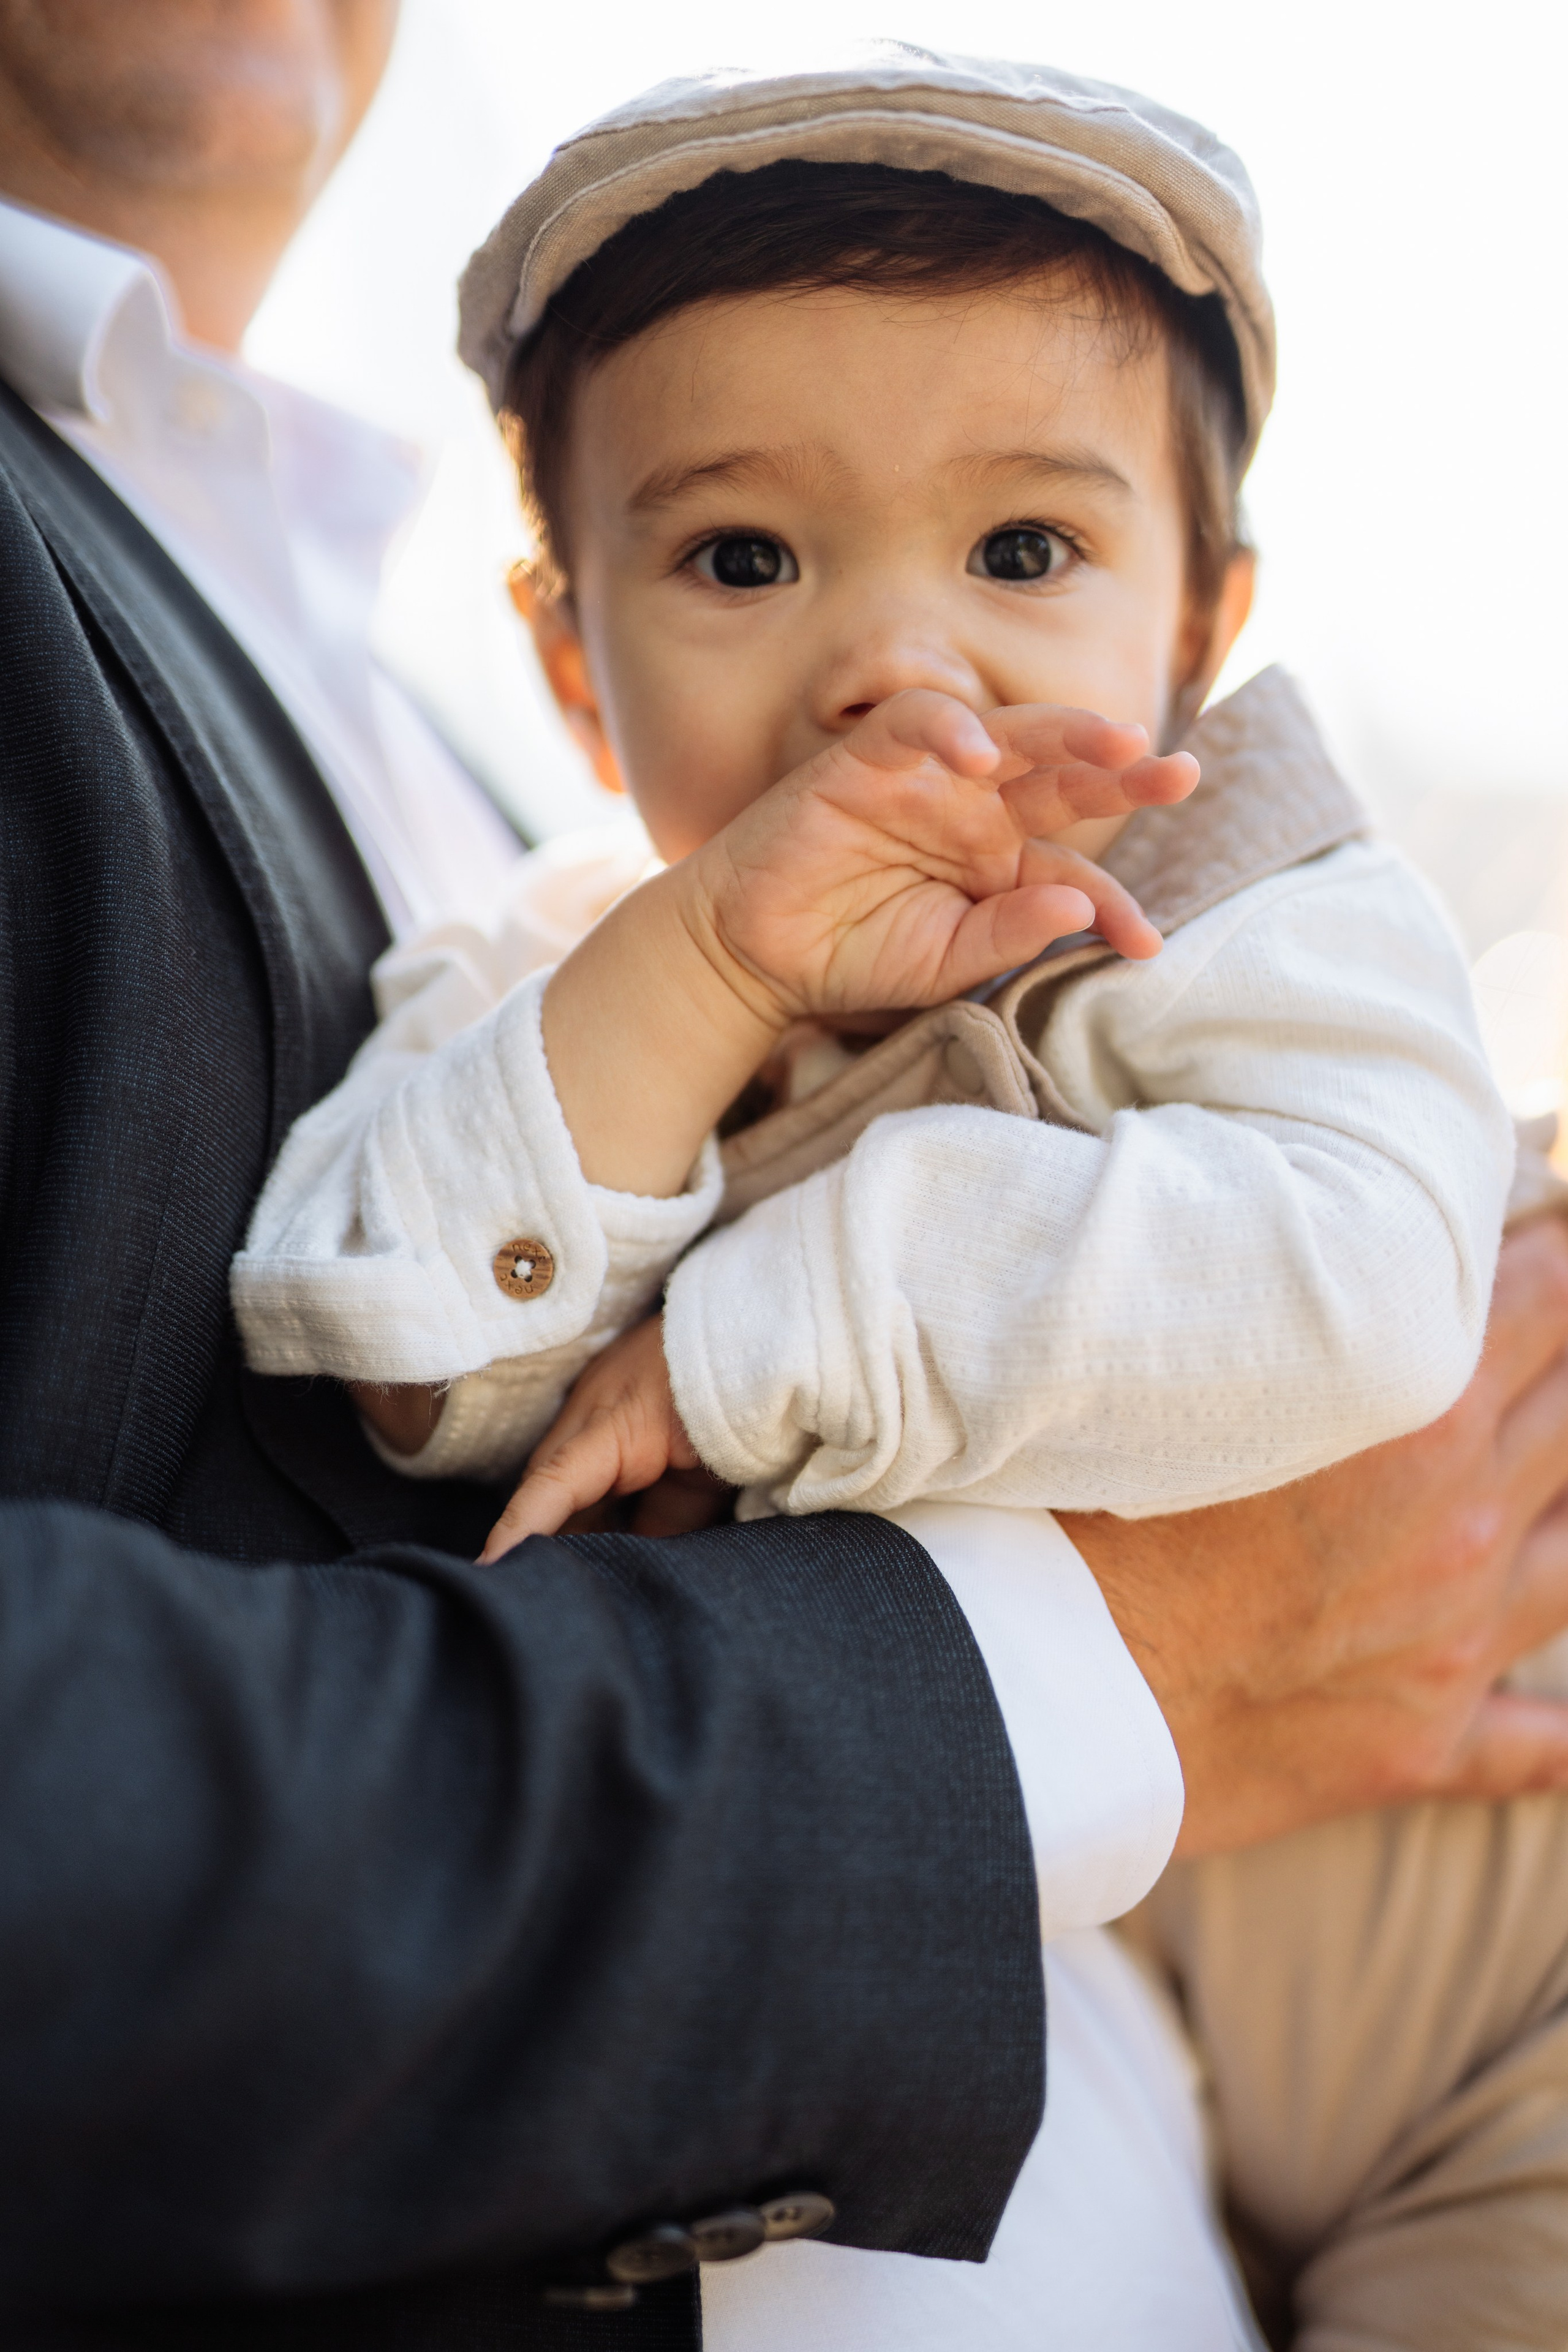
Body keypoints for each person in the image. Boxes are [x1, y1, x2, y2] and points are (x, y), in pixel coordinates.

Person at [2, 12, 1568, 2350]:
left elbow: (1366, 1275)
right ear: (572, 663)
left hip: (1467, 1937)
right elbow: (391, 1341)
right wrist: (699, 976)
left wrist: (752, 1337)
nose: (893, 663)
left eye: (1024, 547)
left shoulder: (1247, 891)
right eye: (746, 555)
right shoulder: (552, 950)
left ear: (1202, 626)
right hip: (1083, 2031)